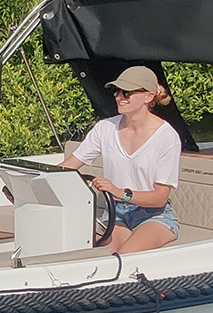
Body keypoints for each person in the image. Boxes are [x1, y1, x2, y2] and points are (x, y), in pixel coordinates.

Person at [60, 65, 181, 254]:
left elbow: (160, 198)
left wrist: (119, 193)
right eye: (117, 91)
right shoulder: (104, 128)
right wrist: (31, 181)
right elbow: (70, 165)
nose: (118, 97)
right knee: (100, 258)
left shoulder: (167, 137)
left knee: (124, 257)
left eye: (126, 93)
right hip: (115, 213)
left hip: (154, 216)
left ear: (148, 97)